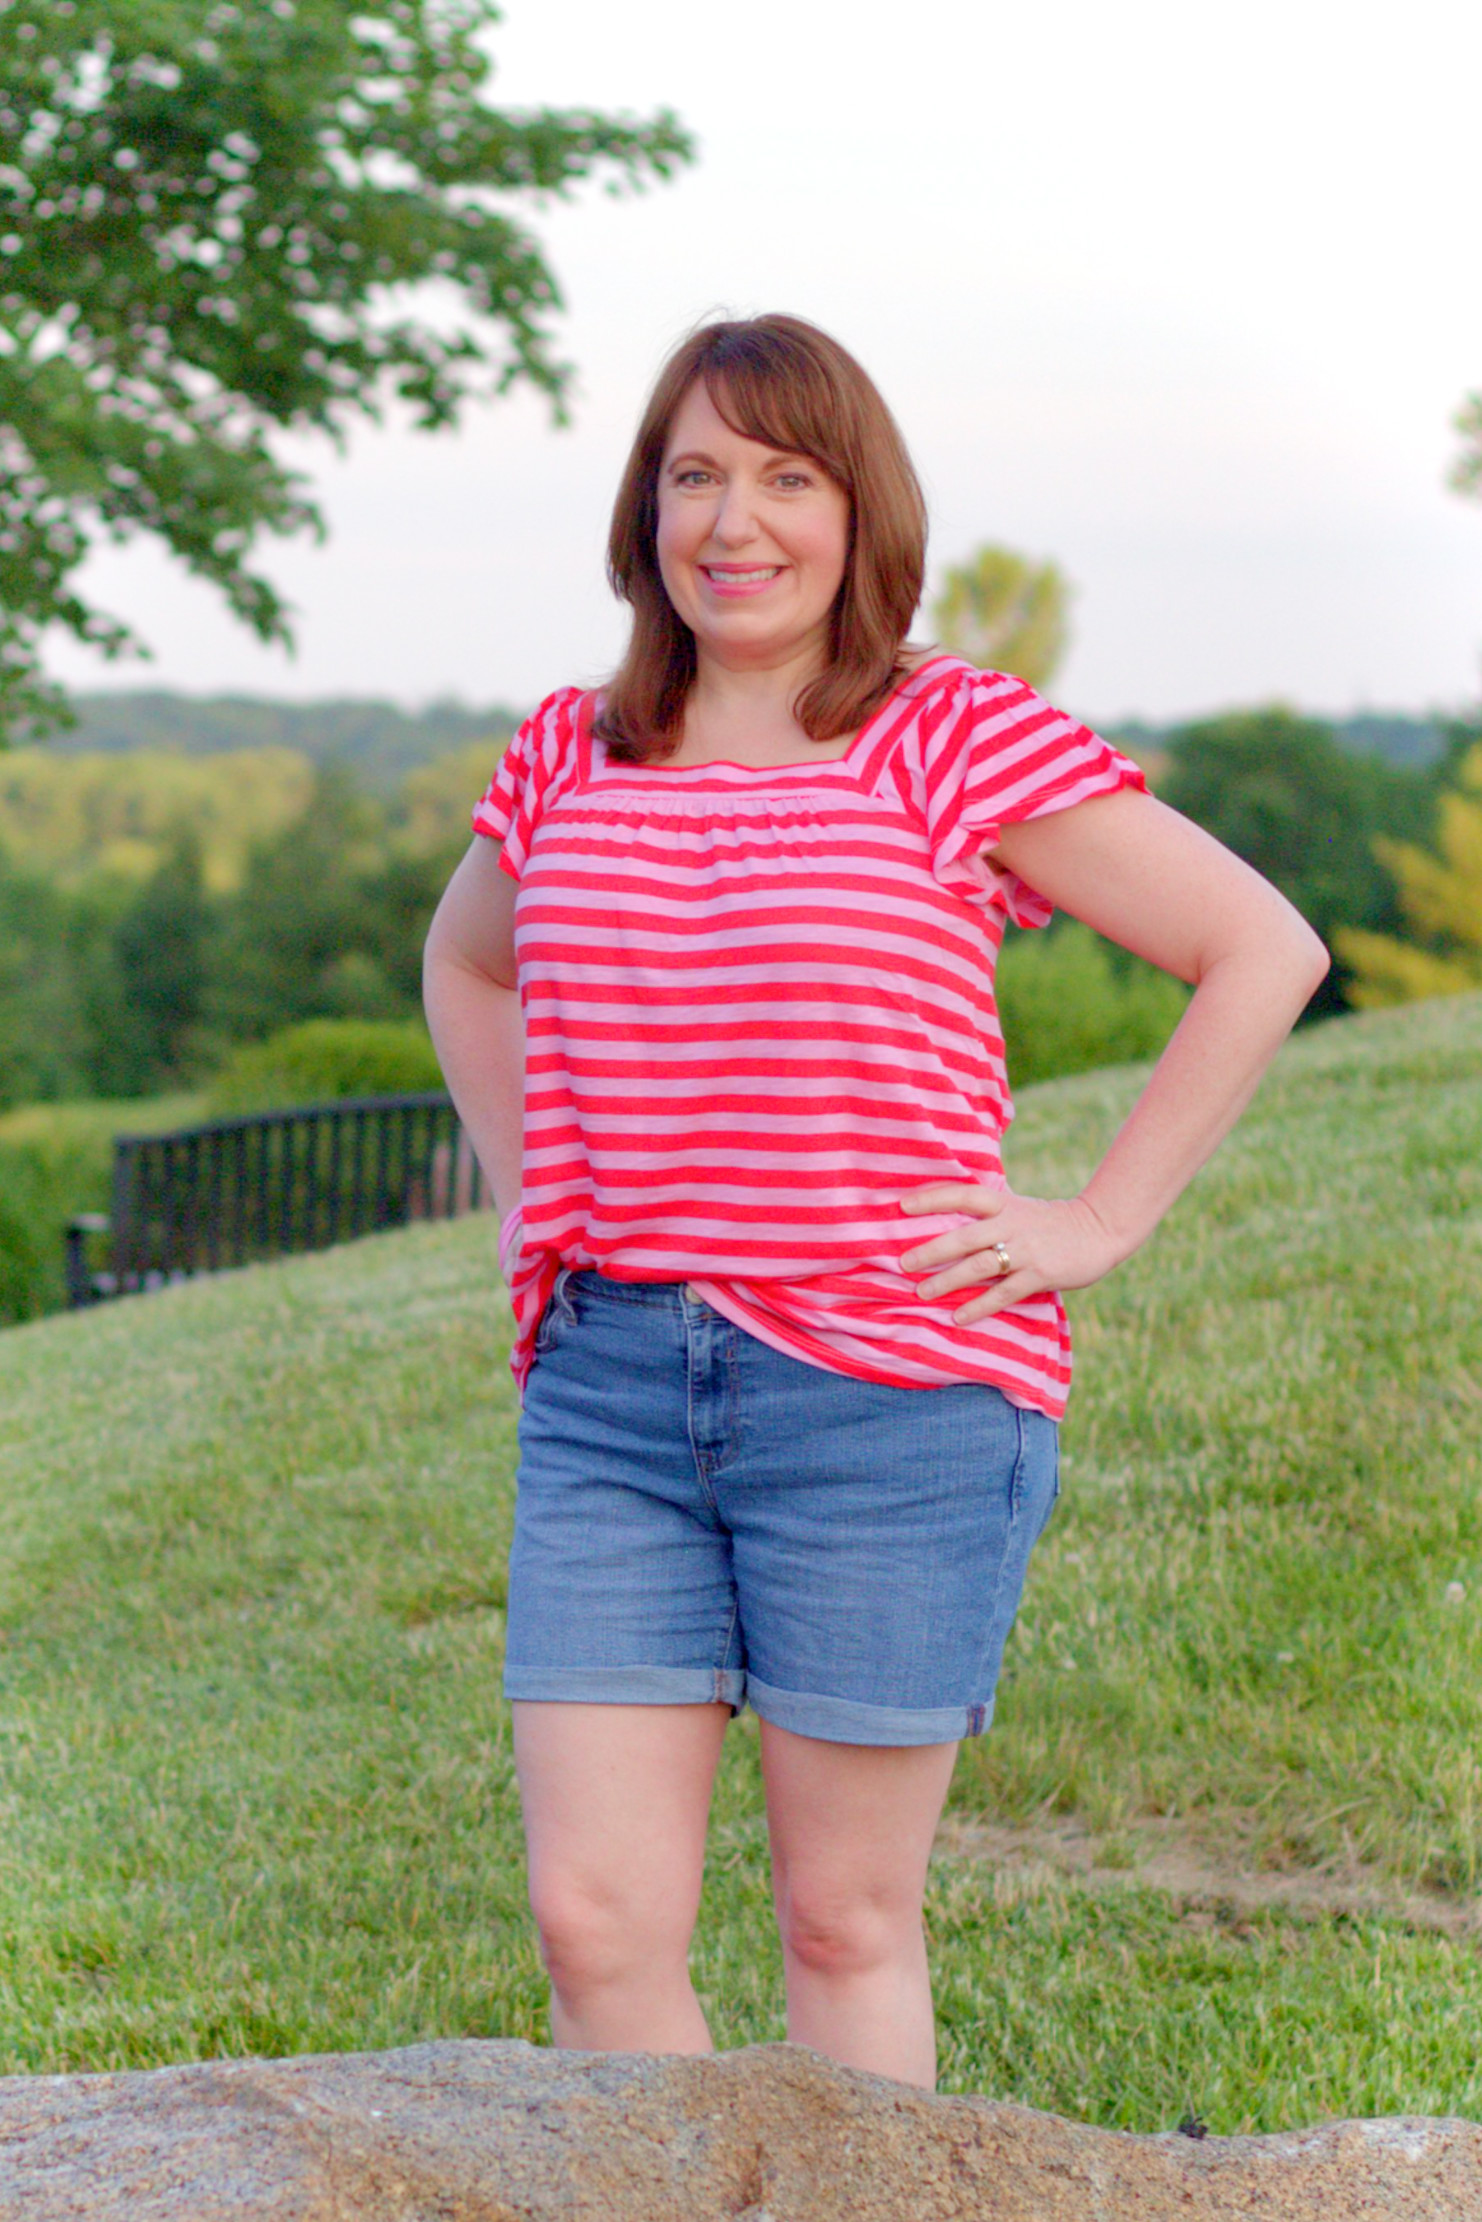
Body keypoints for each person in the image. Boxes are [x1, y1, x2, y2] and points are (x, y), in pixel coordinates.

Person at [422, 313, 1328, 2090]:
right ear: (645, 510)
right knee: (594, 1925)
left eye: (784, 475)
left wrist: (1094, 1218)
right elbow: (468, 969)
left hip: (891, 1397)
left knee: (842, 1920)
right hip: (611, 1392)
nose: (732, 521)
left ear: (857, 512)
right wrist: (538, 1197)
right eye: (693, 474)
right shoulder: (567, 750)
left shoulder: (949, 737)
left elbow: (1258, 946)